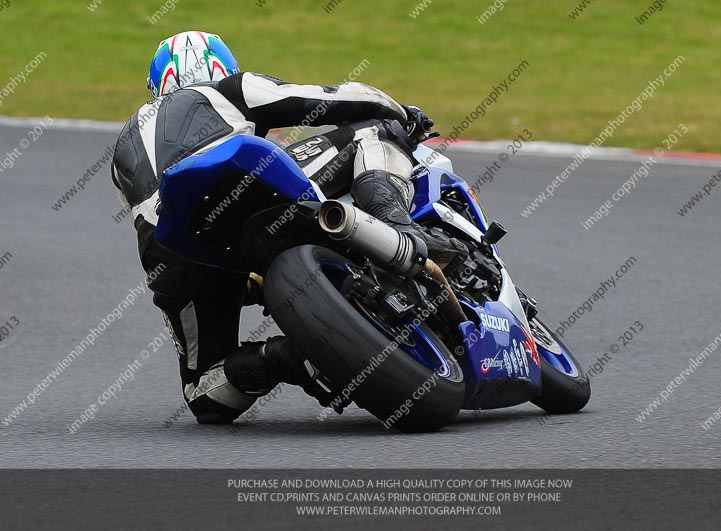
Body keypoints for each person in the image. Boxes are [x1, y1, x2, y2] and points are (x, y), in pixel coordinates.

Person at [111, 30, 464, 425]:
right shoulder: (230, 88)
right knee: (374, 128)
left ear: (155, 85)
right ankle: (399, 229)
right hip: (247, 188)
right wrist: (401, 112)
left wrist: (240, 287)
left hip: (178, 251)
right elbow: (332, 99)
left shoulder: (123, 144)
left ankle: (289, 358)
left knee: (204, 396)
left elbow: (143, 228)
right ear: (224, 67)